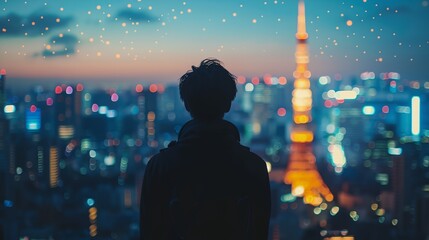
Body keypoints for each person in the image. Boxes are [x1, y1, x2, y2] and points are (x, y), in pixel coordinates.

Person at [140, 59, 271, 240]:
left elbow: (149, 230)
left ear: (187, 105)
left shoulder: (160, 166)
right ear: (228, 104)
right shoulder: (253, 167)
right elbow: (259, 231)